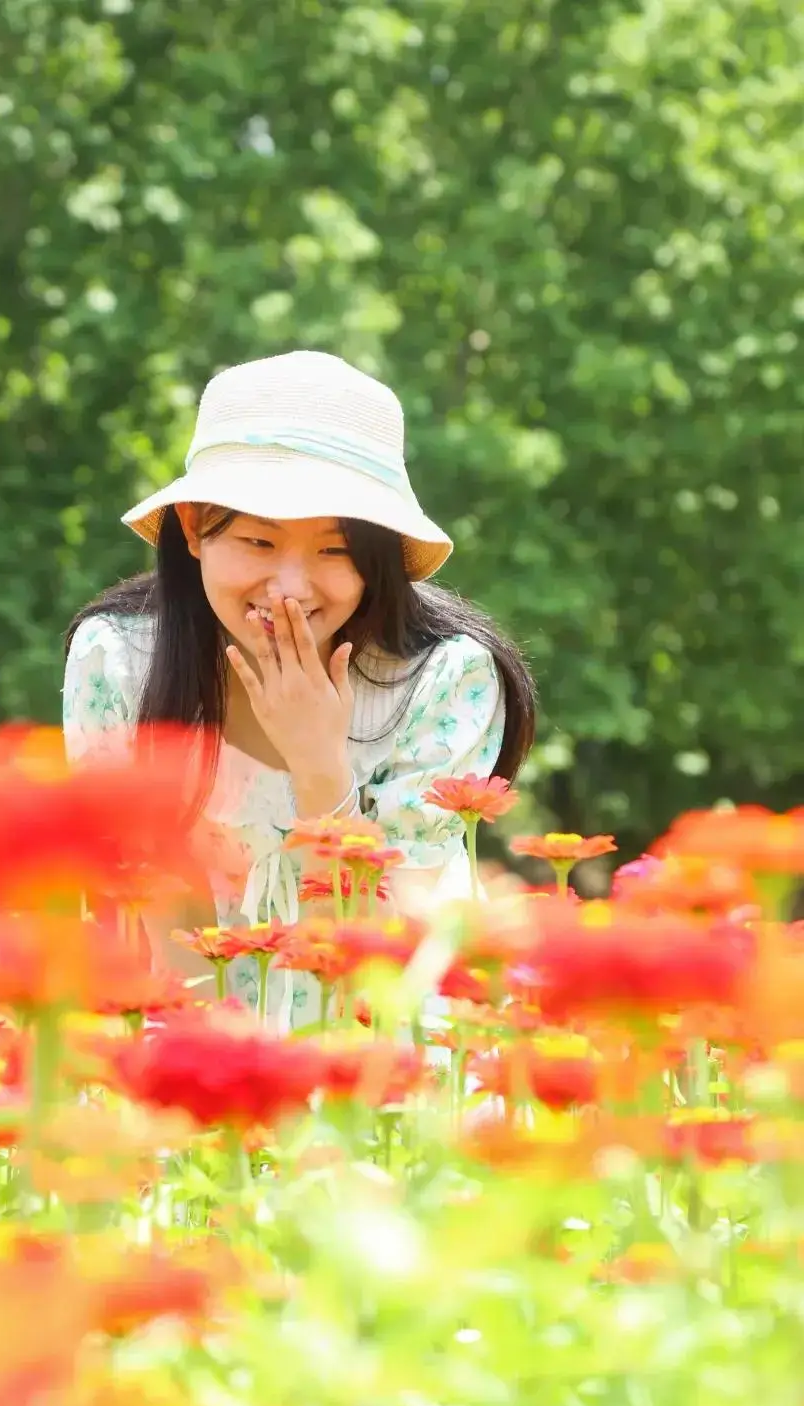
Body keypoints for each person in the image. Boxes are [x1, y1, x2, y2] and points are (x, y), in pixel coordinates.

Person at [62, 350, 536, 1025]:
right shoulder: (119, 661)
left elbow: (387, 942)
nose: (290, 587)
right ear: (195, 527)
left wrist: (319, 765)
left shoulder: (441, 678)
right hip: (191, 1025)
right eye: (257, 542)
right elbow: (149, 909)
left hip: (384, 1039)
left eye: (334, 551)